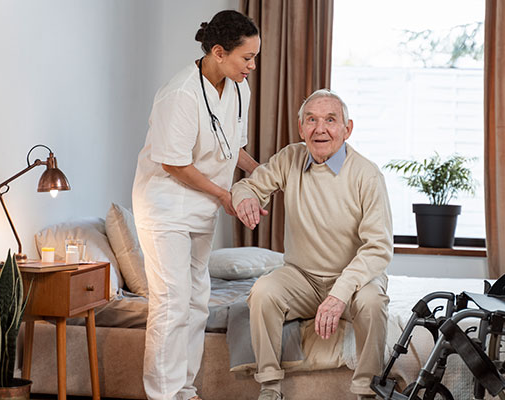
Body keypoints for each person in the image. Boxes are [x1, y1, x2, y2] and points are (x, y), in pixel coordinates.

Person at [231, 89, 393, 400]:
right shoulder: (290, 158)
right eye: (312, 120)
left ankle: (366, 390)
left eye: (330, 120)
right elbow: (248, 185)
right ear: (301, 127)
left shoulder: (367, 174)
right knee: (262, 291)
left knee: (374, 304)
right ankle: (269, 386)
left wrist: (339, 295)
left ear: (347, 128)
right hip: (301, 277)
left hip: (353, 280)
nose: (320, 128)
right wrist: (246, 197)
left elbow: (379, 249)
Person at [131, 10, 260, 400]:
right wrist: (226, 195)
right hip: (166, 206)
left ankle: (185, 389)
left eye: (255, 57)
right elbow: (175, 162)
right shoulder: (181, 93)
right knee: (171, 302)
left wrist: (265, 176)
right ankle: (163, 394)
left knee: (197, 301)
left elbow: (232, 146)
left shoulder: (240, 89)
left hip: (202, 206)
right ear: (218, 52)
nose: (252, 67)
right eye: (246, 58)